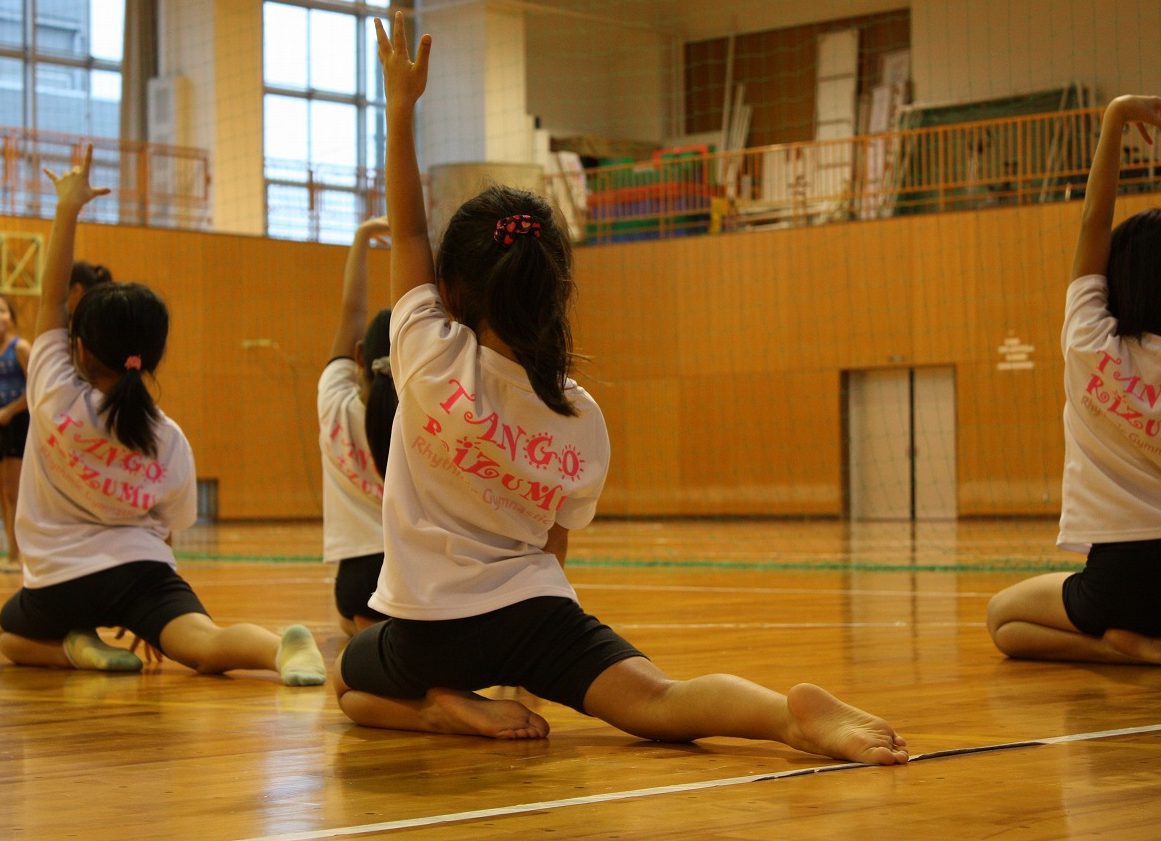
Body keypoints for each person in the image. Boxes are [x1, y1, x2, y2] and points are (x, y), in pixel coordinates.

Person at [331, 13, 908, 766]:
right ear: (555, 292)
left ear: (452, 290)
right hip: (537, 612)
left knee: (347, 680)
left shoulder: (427, 355)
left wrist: (401, 109)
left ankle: (446, 711)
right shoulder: (580, 413)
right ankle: (782, 718)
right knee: (660, 701)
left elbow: (408, 233)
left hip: (427, 628)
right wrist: (532, 642)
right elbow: (555, 541)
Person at [0, 146, 327, 685]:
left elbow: (51, 299)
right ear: (152, 356)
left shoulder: (54, 393)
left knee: (11, 633)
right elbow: (168, 532)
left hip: (60, 582)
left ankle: (76, 649)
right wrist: (155, 610)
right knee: (204, 643)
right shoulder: (168, 436)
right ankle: (280, 650)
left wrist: (67, 209)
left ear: (79, 350)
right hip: (144, 573)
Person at [987, 95, 1161, 666]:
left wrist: (1115, 116)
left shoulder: (1087, 344)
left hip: (1119, 581)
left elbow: (1093, 219)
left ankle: (1136, 651)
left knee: (1003, 620)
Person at [319, 216, 395, 636]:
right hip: (413, 574)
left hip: (355, 585)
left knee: (353, 626)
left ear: (361, 356)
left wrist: (363, 236)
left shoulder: (333, 402)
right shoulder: (422, 421)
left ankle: (366, 629)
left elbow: (352, 315)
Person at [0, 295, 30, 574]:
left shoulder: (20, 348)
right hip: (1, 424)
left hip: (18, 423)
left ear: (11, 316)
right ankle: (10, 551)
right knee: (3, 492)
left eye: (2, 311)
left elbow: (36, 388)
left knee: (15, 491)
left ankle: (18, 555)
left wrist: (10, 410)